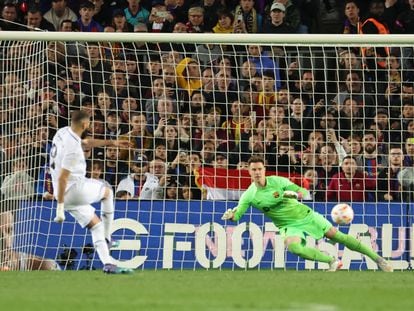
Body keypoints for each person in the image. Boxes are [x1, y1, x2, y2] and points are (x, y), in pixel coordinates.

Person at [221, 155, 393, 272]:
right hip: (288, 225)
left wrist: (296, 194)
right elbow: (238, 215)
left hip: (306, 215)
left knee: (338, 236)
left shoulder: (278, 181)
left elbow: (302, 190)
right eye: (253, 170)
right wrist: (232, 215)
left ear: (264, 169)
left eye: (259, 169)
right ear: (248, 172)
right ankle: (331, 261)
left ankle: (378, 259)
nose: (257, 172)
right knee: (294, 247)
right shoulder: (249, 195)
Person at [50, 110, 133, 274]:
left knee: (96, 226)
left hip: (63, 195)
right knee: (108, 192)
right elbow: (62, 178)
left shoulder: (63, 132)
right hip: (73, 189)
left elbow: (86, 143)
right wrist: (59, 209)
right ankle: (108, 238)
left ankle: (108, 264)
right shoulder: (73, 149)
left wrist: (112, 143)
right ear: (84, 124)